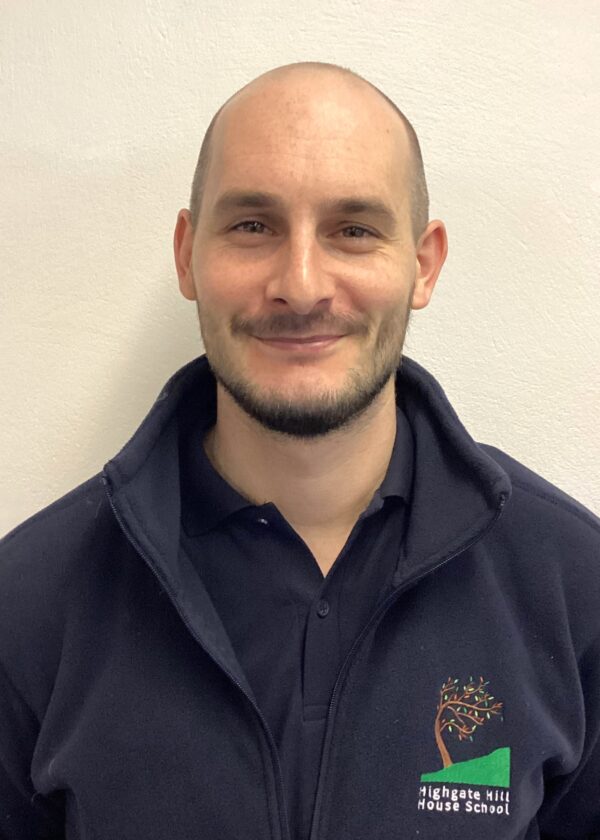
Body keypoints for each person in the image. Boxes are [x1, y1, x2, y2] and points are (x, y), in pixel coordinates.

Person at [0, 61, 598, 840]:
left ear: (423, 264)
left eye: (354, 230)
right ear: (187, 254)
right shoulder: (31, 602)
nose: (302, 285)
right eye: (253, 226)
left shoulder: (571, 586)